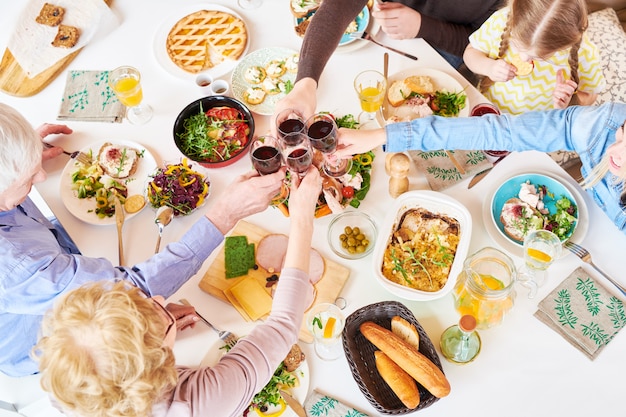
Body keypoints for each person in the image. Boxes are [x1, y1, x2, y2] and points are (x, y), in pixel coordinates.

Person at [0, 103, 285, 377]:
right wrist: (226, 214)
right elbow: (129, 289)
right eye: (27, 179)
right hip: (65, 341)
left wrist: (21, 152)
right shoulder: (15, 265)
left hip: (71, 256)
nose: (39, 176)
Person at [33, 165, 322, 417]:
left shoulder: (71, 383)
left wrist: (153, 329)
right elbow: (283, 326)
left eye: (138, 301)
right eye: (155, 309)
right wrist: (302, 217)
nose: (159, 298)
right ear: (156, 363)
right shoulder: (200, 404)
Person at [334, 103, 626, 233]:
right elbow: (499, 131)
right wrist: (382, 136)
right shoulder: (602, 125)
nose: (614, 150)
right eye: (624, 133)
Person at [276, 0, 503, 123]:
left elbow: (479, 44)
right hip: (386, 27)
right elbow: (337, 7)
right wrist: (305, 83)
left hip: (448, 46)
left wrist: (423, 26)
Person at [463, 0, 605, 114]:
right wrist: (488, 67)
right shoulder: (502, 20)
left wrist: (567, 102)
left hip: (535, 124)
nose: (524, 59)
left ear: (563, 46)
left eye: (540, 57)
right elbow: (470, 53)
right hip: (486, 106)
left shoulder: (585, 53)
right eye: (516, 45)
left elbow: (590, 94)